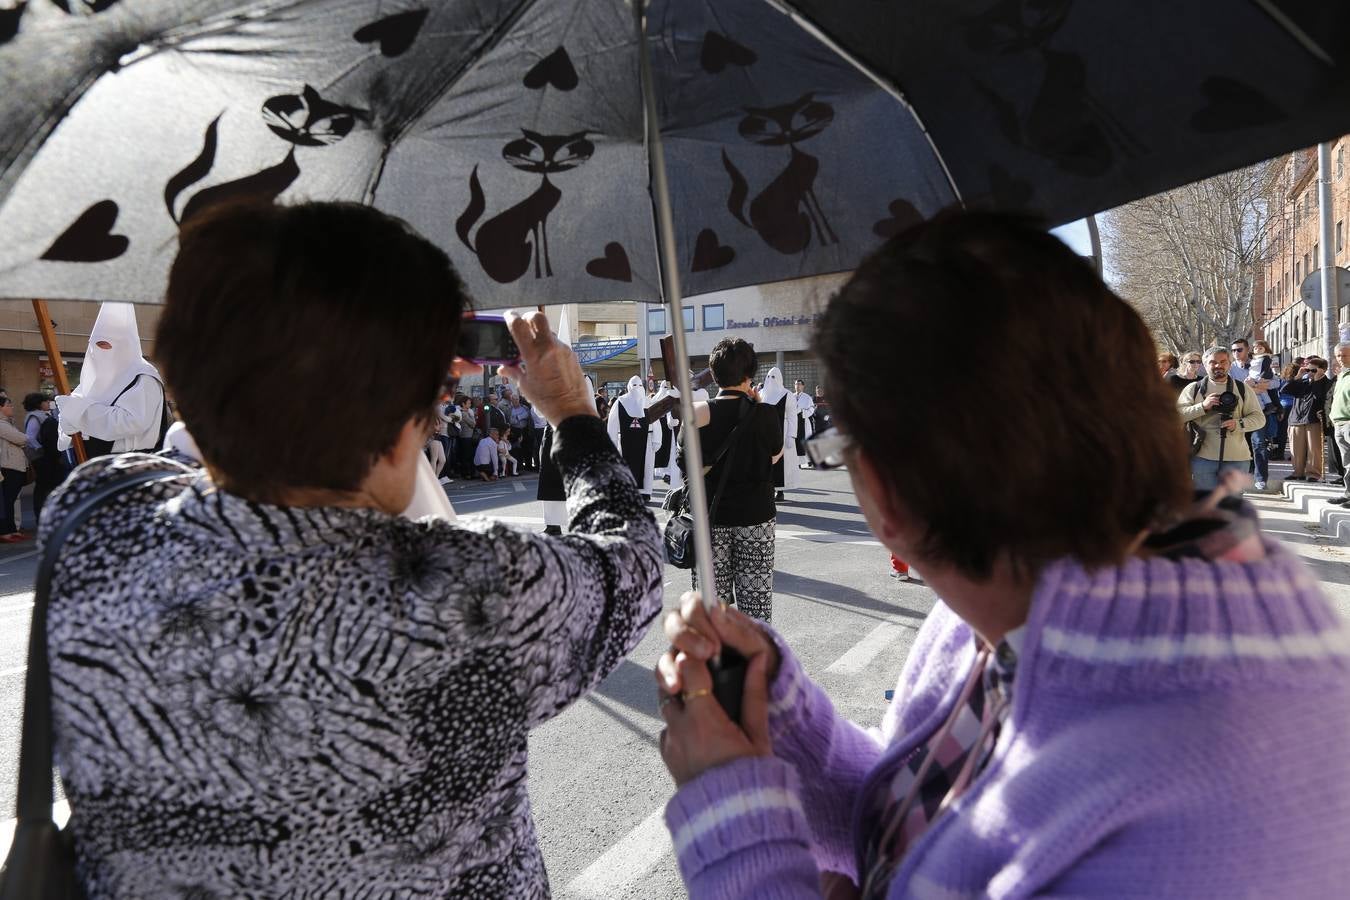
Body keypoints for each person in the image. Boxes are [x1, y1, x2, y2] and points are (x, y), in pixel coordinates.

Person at [653, 211, 1350, 899]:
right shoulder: (1001, 619)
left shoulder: (1203, 827)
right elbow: (922, 826)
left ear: (888, 492)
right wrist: (784, 718)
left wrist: (737, 830)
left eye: (841, 451)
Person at [40, 201, 663, 896]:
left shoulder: (93, 520)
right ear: (409, 424)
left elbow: (183, 462)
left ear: (180, 380)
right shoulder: (478, 593)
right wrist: (572, 414)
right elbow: (633, 558)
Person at [679, 338, 783, 621]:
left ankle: (716, 662)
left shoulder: (698, 413)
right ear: (750, 376)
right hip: (756, 518)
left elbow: (684, 464)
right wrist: (759, 405)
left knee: (712, 609)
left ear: (714, 375)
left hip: (711, 517)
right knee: (756, 607)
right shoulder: (766, 413)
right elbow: (775, 456)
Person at [54, 302, 170, 457]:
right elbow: (71, 412)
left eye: (107, 345)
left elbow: (132, 421)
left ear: (125, 346)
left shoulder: (143, 377)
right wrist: (69, 422)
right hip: (91, 462)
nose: (101, 352)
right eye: (98, 345)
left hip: (129, 463)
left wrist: (80, 413)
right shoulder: (93, 380)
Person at [1178, 347, 1264, 492]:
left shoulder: (1242, 389)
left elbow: (1259, 418)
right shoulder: (1193, 389)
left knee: (1232, 507)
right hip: (1202, 457)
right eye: (1213, 362)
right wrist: (1203, 407)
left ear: (1230, 364)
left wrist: (1238, 424)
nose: (1218, 365)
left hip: (1237, 458)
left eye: (1223, 361)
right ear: (1204, 365)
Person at [539, 376, 597, 535]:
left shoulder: (583, 379)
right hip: (552, 433)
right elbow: (538, 412)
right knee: (550, 480)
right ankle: (552, 524)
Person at [607, 375, 662, 499]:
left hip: (646, 440)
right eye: (634, 385)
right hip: (625, 442)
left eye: (640, 385)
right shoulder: (620, 402)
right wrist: (613, 442)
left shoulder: (647, 402)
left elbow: (656, 421)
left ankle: (645, 492)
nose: (637, 388)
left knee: (647, 468)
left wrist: (657, 439)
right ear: (629, 387)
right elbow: (612, 423)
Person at [1279, 357, 1331, 483]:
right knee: (1296, 448)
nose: (1310, 372)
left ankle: (1313, 473)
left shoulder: (1326, 383)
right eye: (1308, 369)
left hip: (1314, 419)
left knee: (1314, 449)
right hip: (1296, 418)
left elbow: (1320, 397)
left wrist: (1317, 380)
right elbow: (1284, 390)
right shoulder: (1302, 382)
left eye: (1313, 370)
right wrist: (1298, 376)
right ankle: (1298, 472)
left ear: (1323, 370)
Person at [22, 392, 68, 524]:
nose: (48, 403)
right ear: (38, 403)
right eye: (45, 401)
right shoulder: (35, 417)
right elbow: (30, 437)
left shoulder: (44, 415)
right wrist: (40, 449)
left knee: (48, 486)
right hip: (42, 458)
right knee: (43, 487)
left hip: (47, 457)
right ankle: (41, 516)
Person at [759, 367, 799, 502]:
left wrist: (791, 435)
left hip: (782, 431)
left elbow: (793, 416)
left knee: (780, 463)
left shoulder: (787, 395)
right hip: (764, 433)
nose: (771, 380)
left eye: (774, 377)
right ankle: (767, 489)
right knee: (765, 462)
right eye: (769, 377)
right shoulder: (761, 393)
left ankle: (779, 491)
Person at [1246, 340, 1279, 490]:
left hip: (1257, 410)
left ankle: (1260, 478)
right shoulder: (1232, 367)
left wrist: (1257, 384)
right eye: (1234, 350)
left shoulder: (1266, 359)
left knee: (1259, 443)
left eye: (1240, 350)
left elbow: (1276, 382)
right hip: (1239, 410)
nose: (1237, 353)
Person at [1324, 341, 1350, 505]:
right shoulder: (1341, 375)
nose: (1341, 358)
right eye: (1338, 355)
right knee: (1347, 463)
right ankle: (1348, 494)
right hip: (1339, 424)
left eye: (1345, 355)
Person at [0, 396, 29, 541]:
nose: (12, 407)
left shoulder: (7, 423)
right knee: (7, 500)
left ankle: (11, 529)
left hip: (13, 465)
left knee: (10, 500)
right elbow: (22, 439)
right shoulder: (1, 424)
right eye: (8, 405)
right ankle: (5, 532)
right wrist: (22, 439)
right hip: (8, 466)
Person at [792, 379, 816, 467]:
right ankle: (797, 462)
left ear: (803, 386)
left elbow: (812, 409)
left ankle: (809, 460)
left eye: (799, 384)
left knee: (805, 441)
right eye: (795, 384)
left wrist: (803, 412)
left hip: (803, 421)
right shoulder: (791, 396)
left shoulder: (807, 397)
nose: (797, 386)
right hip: (794, 422)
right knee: (796, 442)